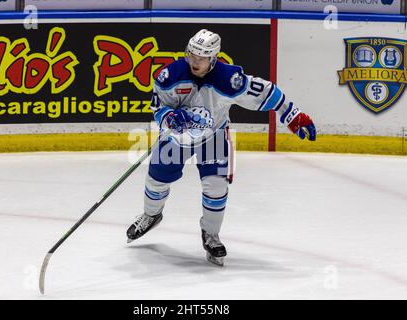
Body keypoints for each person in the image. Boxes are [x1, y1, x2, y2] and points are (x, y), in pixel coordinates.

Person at [126, 29, 316, 266]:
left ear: (213, 58)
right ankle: (151, 215)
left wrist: (293, 115)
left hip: (213, 136)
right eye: (192, 55)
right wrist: (168, 117)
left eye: (202, 57)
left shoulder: (229, 79)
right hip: (177, 137)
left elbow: (267, 91)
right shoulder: (170, 75)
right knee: (156, 178)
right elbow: (158, 107)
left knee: (216, 187)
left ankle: (211, 235)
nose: (195, 61)